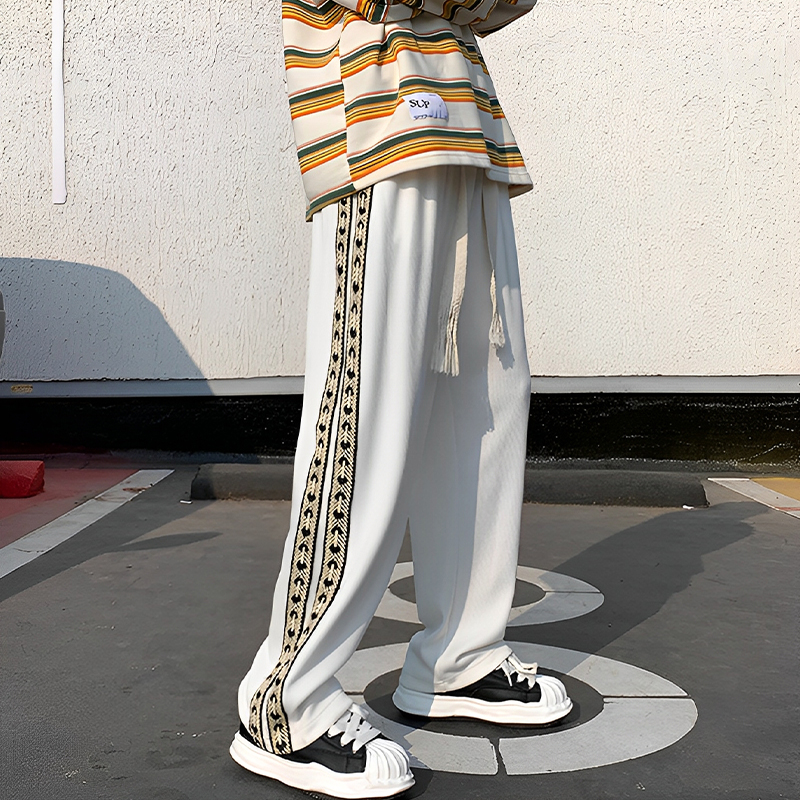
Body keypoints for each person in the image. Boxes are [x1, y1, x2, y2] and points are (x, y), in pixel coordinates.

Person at [230, 1, 572, 796]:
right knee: (367, 412)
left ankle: (460, 658)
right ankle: (286, 702)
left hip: (466, 120)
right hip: (376, 116)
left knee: (483, 400)